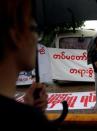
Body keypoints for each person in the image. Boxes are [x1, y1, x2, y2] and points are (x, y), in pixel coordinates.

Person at [0, 0, 56, 130]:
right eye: (34, 29)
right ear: (16, 36)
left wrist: (29, 108)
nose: (37, 37)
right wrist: (33, 116)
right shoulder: (30, 121)